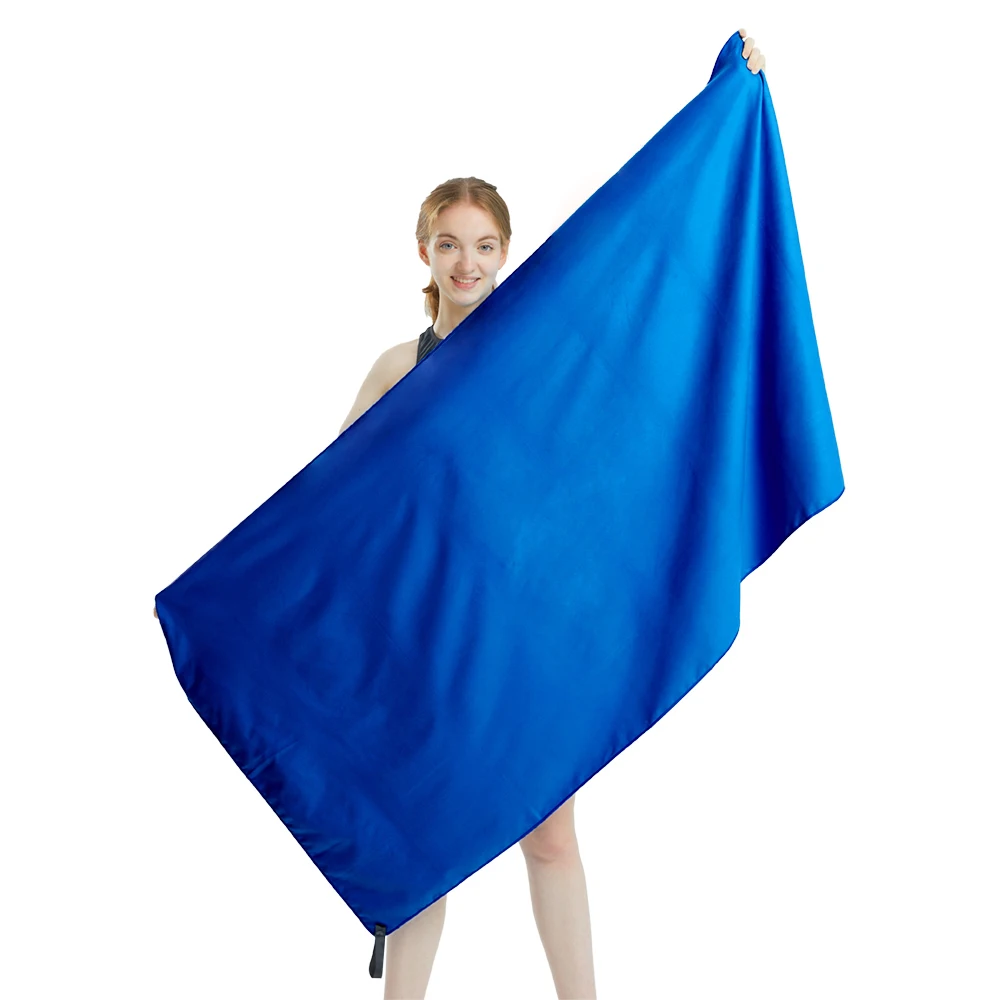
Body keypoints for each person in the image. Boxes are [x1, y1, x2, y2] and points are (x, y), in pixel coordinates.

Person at [155, 30, 767, 999]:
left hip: (521, 634)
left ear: (505, 253)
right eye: (450, 244)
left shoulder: (541, 356)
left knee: (550, 832)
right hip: (423, 642)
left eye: (485, 246)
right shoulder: (396, 370)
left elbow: (645, 270)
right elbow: (333, 514)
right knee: (415, 841)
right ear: (424, 252)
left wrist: (729, 89)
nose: (467, 261)